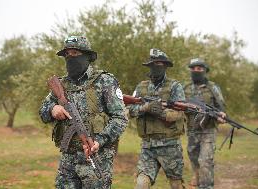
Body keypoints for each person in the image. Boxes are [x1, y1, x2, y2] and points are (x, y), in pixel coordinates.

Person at [39, 35, 128, 189]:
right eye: (66, 54)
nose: (70, 57)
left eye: (74, 54)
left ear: (87, 56)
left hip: (97, 158)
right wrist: (53, 109)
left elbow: (120, 118)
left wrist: (100, 140)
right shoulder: (61, 85)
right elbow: (43, 112)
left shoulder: (104, 81)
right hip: (68, 160)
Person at [129, 48, 186, 189]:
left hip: (170, 145)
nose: (157, 67)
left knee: (176, 185)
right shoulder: (141, 87)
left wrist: (161, 113)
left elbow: (180, 112)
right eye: (154, 64)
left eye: (160, 64)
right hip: (148, 147)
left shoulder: (175, 87)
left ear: (166, 66)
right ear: (149, 65)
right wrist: (145, 108)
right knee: (141, 184)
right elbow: (128, 110)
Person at [184, 58, 226, 189]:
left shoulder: (213, 87)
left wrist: (220, 115)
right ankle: (198, 181)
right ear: (191, 70)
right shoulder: (185, 88)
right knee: (195, 160)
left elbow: (221, 107)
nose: (196, 71)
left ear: (205, 70)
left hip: (208, 130)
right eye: (194, 68)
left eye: (199, 68)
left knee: (205, 161)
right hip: (192, 130)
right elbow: (178, 106)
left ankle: (206, 186)